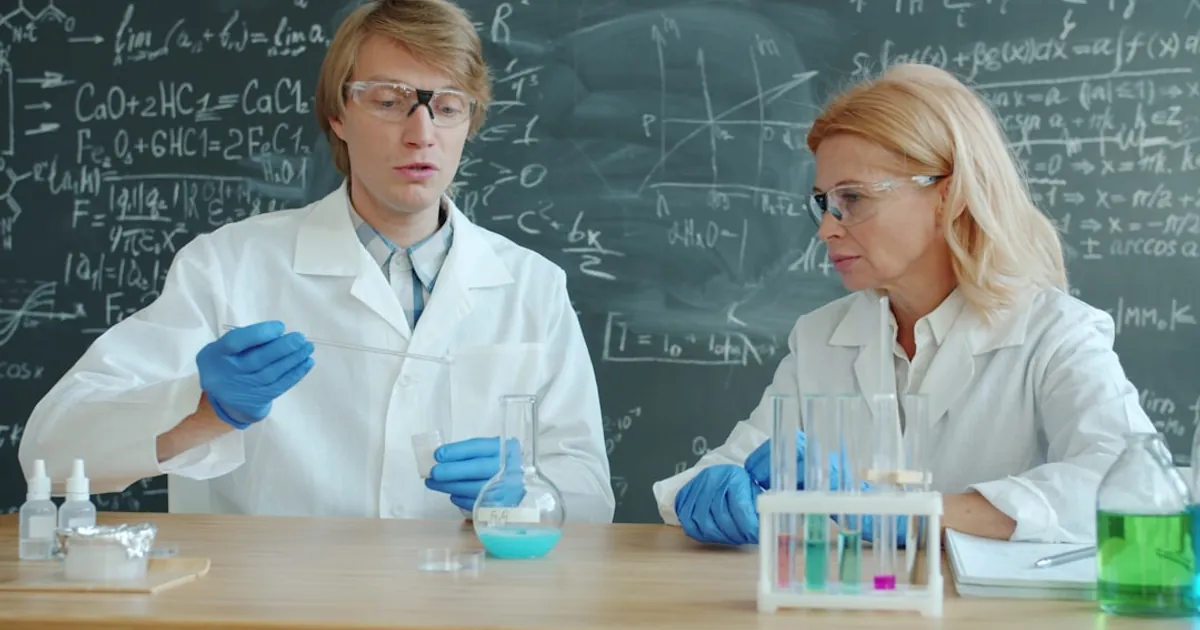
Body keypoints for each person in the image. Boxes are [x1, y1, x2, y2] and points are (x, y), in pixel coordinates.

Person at [19, 0, 615, 523]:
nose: (420, 133)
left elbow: (590, 490)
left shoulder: (532, 285)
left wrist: (527, 489)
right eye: (389, 101)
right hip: (268, 611)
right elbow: (50, 450)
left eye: (448, 107)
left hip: (468, 607)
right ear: (338, 114)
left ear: (468, 123)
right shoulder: (228, 267)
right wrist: (199, 406)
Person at [651, 62, 1155, 546]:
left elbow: (1134, 484)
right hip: (853, 604)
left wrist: (912, 516)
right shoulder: (820, 339)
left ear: (948, 195)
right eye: (823, 202)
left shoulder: (1054, 333)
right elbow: (734, 465)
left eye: (853, 198)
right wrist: (709, 492)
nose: (827, 227)